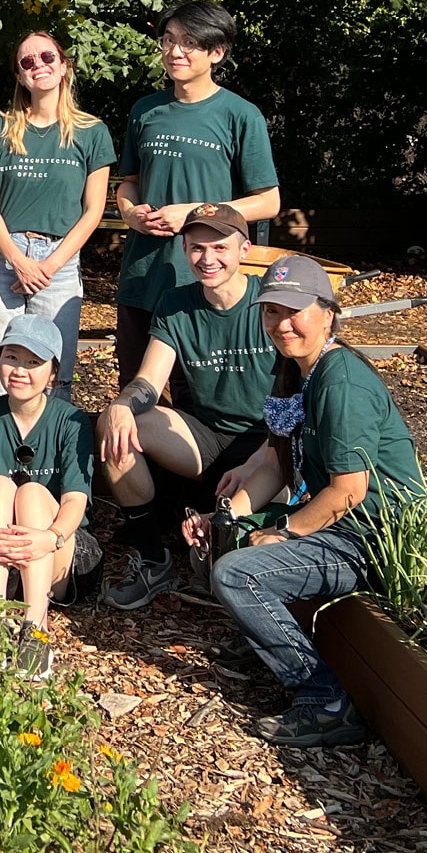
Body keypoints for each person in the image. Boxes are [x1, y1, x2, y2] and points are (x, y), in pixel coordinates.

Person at [187, 254, 425, 747]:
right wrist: (227, 518)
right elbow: (277, 462)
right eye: (272, 311)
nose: (282, 323)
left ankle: (327, 701)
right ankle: (265, 640)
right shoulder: (299, 372)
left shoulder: (341, 381)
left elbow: (350, 491)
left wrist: (285, 530)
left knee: (237, 572)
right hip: (344, 524)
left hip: (374, 536)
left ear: (328, 313)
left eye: (295, 310)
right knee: (230, 539)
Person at [98, 204, 277, 610]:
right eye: (197, 248)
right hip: (206, 436)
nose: (208, 258)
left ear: (244, 248)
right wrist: (122, 404)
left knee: (225, 563)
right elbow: (149, 379)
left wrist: (268, 453)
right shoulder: (176, 304)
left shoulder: (268, 303)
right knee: (122, 425)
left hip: (269, 444)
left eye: (220, 247)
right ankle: (151, 557)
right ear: (184, 249)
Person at [115, 1, 279, 389]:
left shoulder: (241, 115)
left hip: (205, 279)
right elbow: (130, 182)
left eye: (189, 43)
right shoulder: (145, 111)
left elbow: (268, 201)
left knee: (196, 400)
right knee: (137, 393)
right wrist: (129, 212)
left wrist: (196, 213)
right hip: (143, 275)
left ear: (217, 52)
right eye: (169, 40)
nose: (174, 52)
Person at [0, 30, 114, 403]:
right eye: (27, 62)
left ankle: (54, 457)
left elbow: (94, 210)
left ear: (64, 65)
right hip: (1, 258)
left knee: (56, 371)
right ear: (20, 76)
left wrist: (48, 266)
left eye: (48, 57)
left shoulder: (92, 132)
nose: (39, 66)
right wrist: (17, 261)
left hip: (60, 261)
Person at [0, 315, 98, 680]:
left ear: (53, 372)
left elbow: (75, 501)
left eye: (34, 362)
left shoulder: (72, 421)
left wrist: (47, 538)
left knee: (33, 493)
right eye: (12, 357)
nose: (20, 370)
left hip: (59, 552)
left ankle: (35, 628)